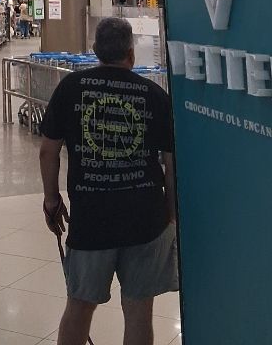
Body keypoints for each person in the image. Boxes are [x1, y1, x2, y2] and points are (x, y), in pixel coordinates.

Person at [39, 17, 177, 345]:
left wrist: (52, 200)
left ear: (95, 50)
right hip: (146, 218)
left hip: (90, 219)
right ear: (131, 53)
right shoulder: (154, 95)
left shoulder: (71, 88)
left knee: (79, 306)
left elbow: (48, 151)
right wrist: (170, 212)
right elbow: (172, 162)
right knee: (139, 310)